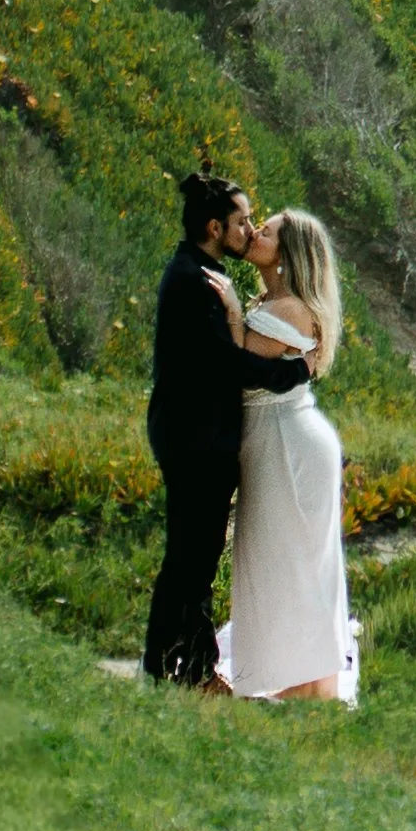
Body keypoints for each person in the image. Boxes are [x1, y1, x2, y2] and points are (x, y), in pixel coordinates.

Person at [141, 173, 312, 687]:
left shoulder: (199, 270)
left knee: (195, 556)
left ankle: (185, 666)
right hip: (194, 441)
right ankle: (174, 668)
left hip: (195, 437)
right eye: (241, 222)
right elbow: (229, 366)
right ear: (215, 227)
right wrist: (296, 372)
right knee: (188, 559)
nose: (250, 228)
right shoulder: (197, 281)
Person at [216, 208, 358, 706]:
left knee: (289, 562)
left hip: (288, 441)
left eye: (267, 230)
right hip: (273, 437)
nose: (255, 233)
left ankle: (304, 683)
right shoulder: (275, 301)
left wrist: (232, 312)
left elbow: (238, 367)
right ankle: (293, 677)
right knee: (275, 560)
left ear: (289, 251)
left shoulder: (291, 310)